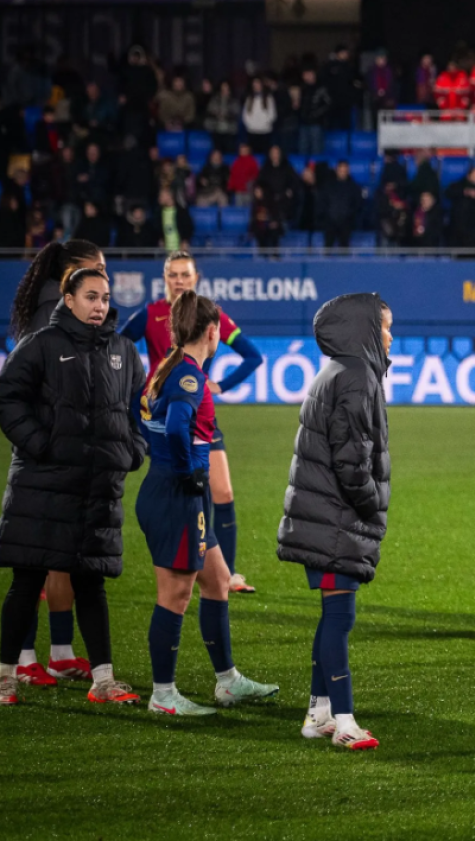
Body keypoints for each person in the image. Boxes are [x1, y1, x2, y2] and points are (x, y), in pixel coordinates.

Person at [0, 268, 147, 707]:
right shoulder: (42, 344)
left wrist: (133, 451)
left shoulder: (122, 349)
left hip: (97, 489)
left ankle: (103, 680)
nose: (99, 306)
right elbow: (8, 398)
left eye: (104, 298)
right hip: (43, 488)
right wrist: (41, 445)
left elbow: (138, 409)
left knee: (92, 583)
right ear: (68, 298)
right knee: (27, 581)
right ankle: (5, 675)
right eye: (90, 297)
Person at [134, 291, 278, 717]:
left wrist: (158, 454)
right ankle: (163, 695)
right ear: (213, 331)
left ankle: (228, 682)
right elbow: (178, 425)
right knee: (175, 596)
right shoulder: (189, 377)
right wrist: (184, 469)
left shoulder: (168, 367)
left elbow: (136, 412)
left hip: (172, 492)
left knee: (216, 581)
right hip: (177, 496)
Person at [277, 292, 394, 750]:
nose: (390, 335)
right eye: (384, 326)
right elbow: (351, 464)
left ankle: (319, 712)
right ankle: (344, 722)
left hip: (326, 517)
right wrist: (371, 506)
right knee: (338, 618)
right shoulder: (356, 378)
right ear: (364, 329)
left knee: (332, 617)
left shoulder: (343, 372)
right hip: (335, 520)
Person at [122, 252, 265, 594]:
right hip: (166, 417)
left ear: (195, 277)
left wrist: (220, 386)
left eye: (184, 274)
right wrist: (137, 394)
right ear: (164, 278)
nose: (179, 281)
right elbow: (117, 349)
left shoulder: (209, 316)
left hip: (197, 415)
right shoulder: (151, 314)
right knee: (184, 490)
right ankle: (190, 572)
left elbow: (253, 355)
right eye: (173, 275)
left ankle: (225, 575)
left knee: (222, 491)